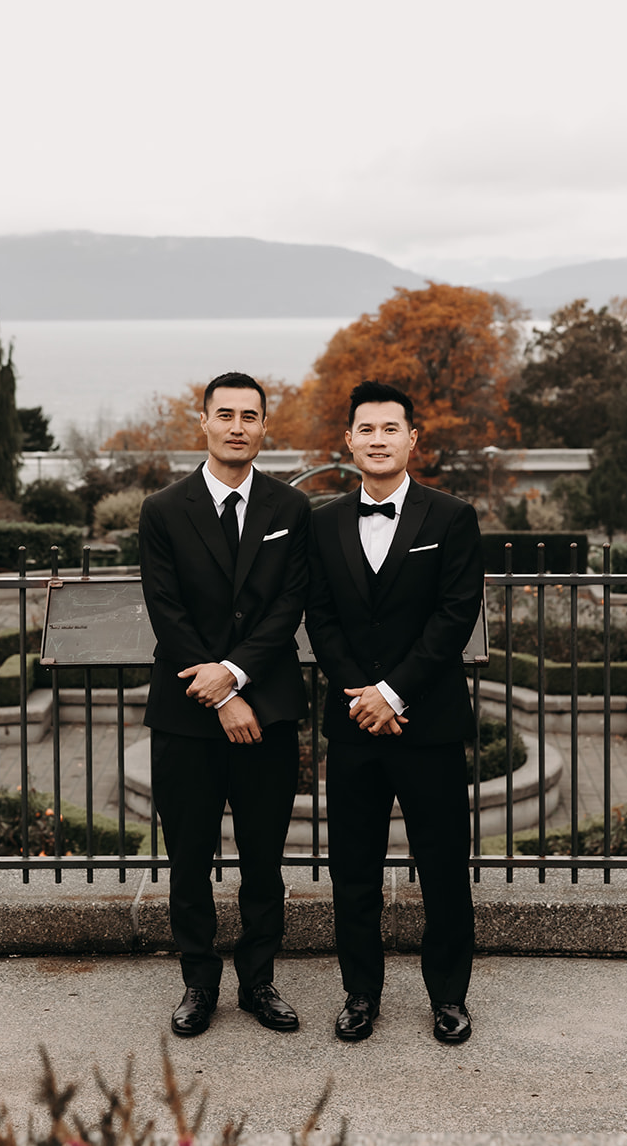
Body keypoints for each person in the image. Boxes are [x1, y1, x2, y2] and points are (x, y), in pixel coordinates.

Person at [305, 378, 485, 1045]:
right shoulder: (319, 522)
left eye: (390, 429)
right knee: (353, 872)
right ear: (347, 441)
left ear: (413, 439)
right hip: (354, 726)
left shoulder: (450, 518)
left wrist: (394, 693)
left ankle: (448, 997)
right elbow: (318, 617)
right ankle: (359, 995)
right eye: (365, 430)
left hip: (427, 723)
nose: (377, 440)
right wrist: (362, 695)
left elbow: (453, 617)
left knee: (442, 869)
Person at [139, 371, 310, 1038]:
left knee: (264, 857)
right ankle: (197, 982)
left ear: (265, 428)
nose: (238, 425)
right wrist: (215, 693)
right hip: (185, 712)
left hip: (264, 707)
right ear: (202, 423)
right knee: (188, 856)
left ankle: (258, 981)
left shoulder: (290, 510)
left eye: (251, 415)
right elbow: (167, 612)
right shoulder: (162, 509)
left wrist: (237, 678)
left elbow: (287, 608)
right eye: (226, 414)